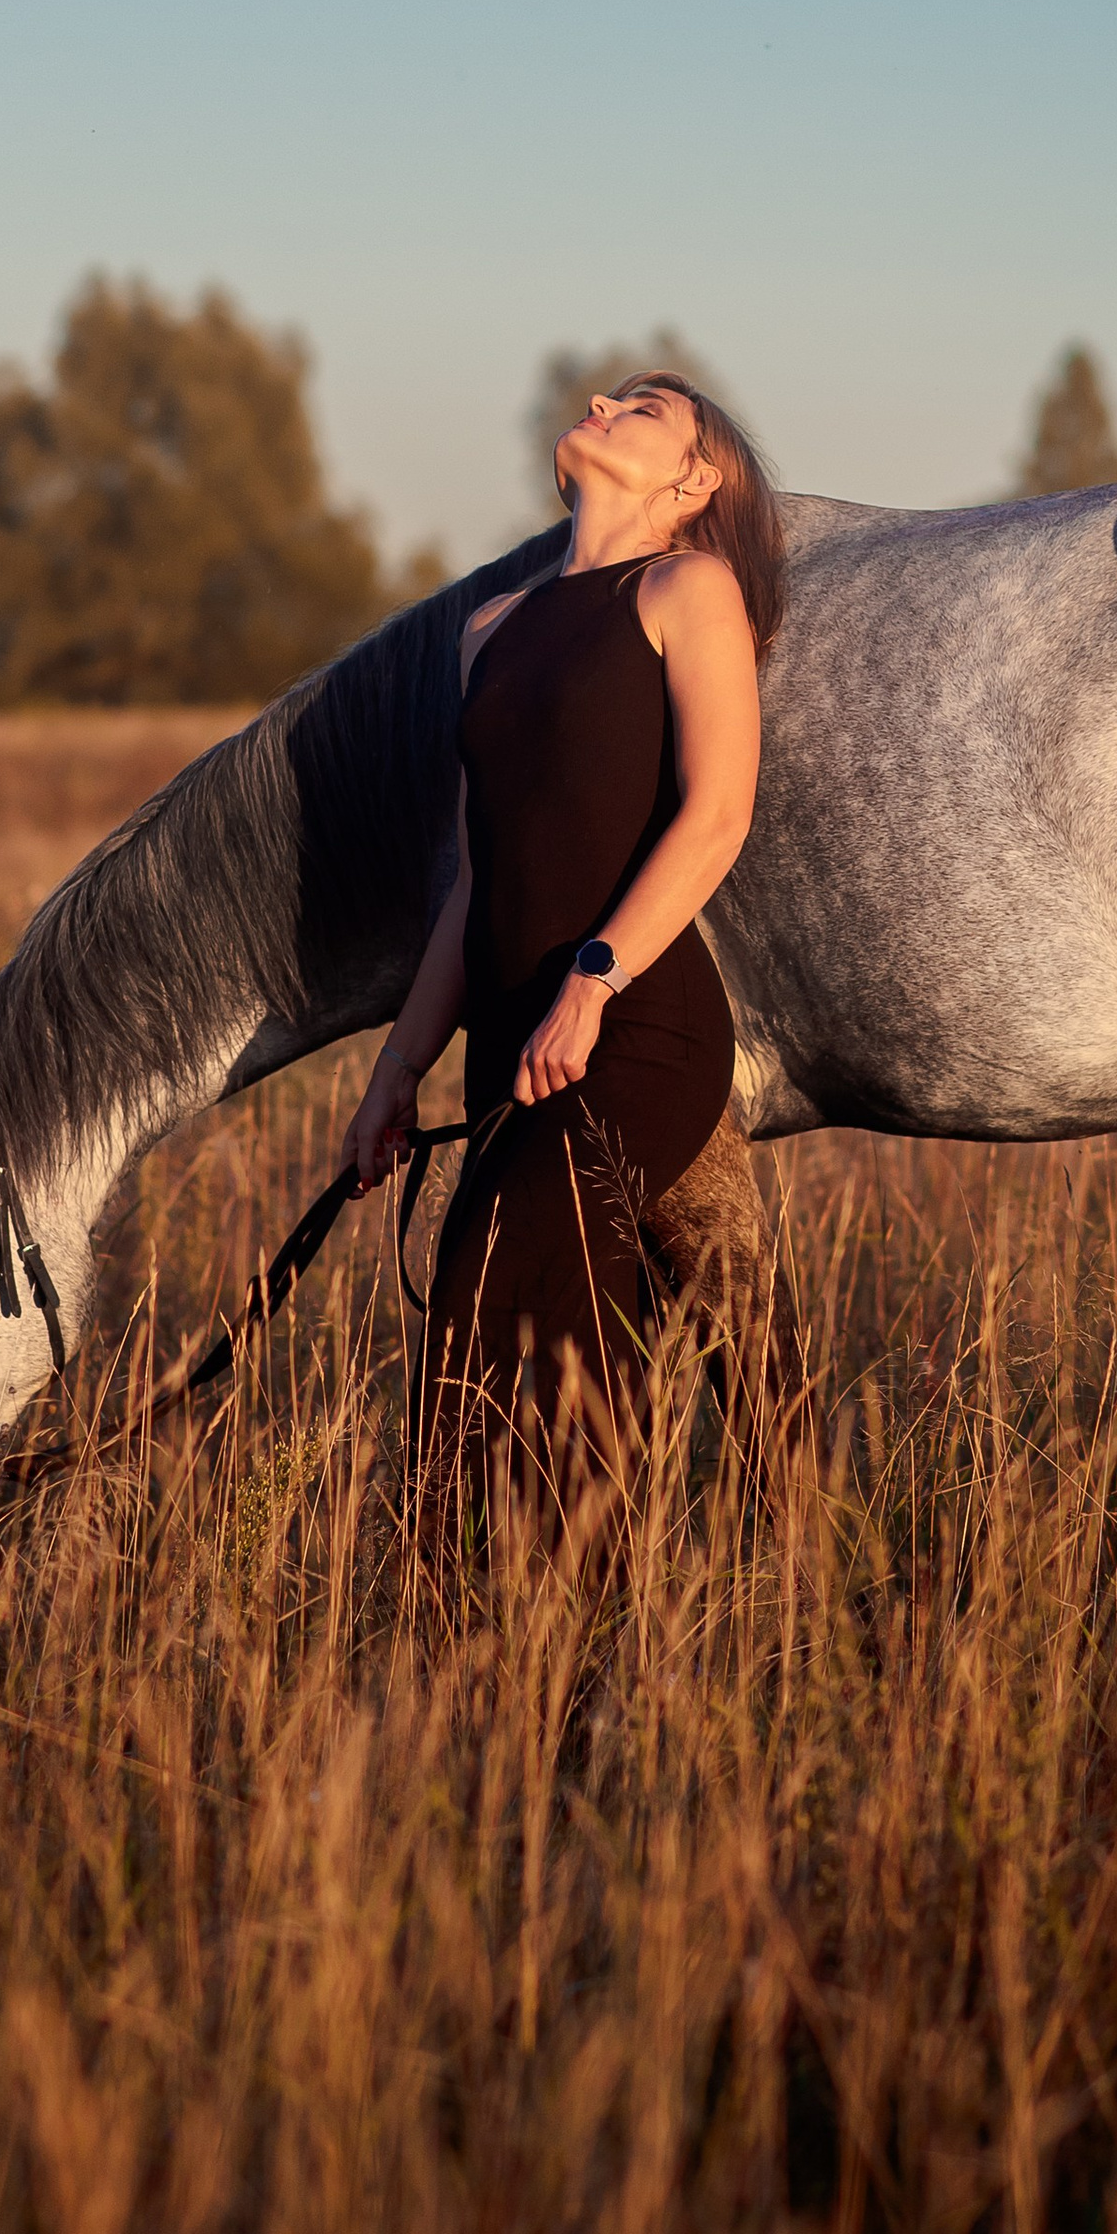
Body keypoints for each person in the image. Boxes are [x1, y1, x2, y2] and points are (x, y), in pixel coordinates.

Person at [344, 370, 785, 1505]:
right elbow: (474, 881)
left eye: (643, 406)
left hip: (631, 1028)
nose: (600, 398)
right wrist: (397, 1073)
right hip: (510, 1045)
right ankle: (548, 1660)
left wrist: (592, 981)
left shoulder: (689, 589)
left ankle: (494, 1645)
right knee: (572, 1363)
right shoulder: (489, 629)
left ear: (696, 481)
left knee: (478, 1314)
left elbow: (718, 813)